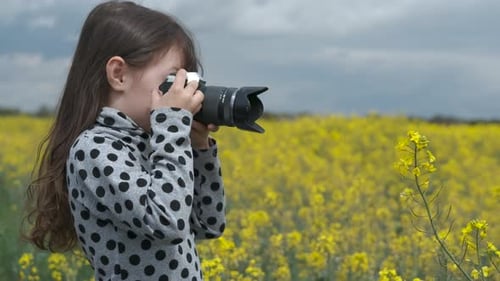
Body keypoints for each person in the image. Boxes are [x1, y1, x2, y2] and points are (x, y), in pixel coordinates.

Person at [24, 1, 226, 280]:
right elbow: (166, 221)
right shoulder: (94, 147)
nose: (187, 92)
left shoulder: (155, 142)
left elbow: (208, 224)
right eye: (172, 78)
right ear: (119, 74)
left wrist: (199, 146)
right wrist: (172, 127)